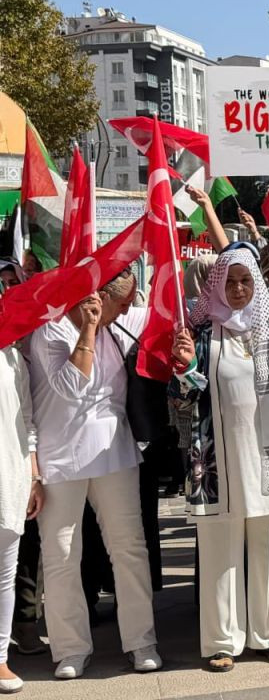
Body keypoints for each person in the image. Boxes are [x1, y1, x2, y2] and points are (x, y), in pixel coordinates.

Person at [168, 247, 269, 672]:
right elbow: (183, 401)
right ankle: (221, 641)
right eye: (230, 282)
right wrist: (185, 368)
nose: (240, 289)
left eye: (247, 281)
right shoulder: (202, 334)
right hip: (216, 464)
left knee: (266, 549)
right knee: (218, 551)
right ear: (217, 286)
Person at [27, 273, 162, 679]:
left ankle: (142, 641)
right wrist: (87, 327)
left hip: (115, 455)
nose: (128, 308)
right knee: (62, 554)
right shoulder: (49, 329)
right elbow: (71, 386)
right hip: (60, 459)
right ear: (98, 298)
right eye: (122, 302)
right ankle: (70, 648)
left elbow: (168, 314)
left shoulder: (118, 323)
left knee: (129, 549)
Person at [0, 314, 41, 694]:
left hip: (9, 476)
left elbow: (28, 421)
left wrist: (33, 476)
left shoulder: (13, 357)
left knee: (5, 576)